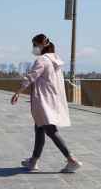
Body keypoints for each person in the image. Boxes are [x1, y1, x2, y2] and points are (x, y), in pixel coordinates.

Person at [11, 34, 82, 173]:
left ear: (41, 45)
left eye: (34, 45)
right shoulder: (55, 61)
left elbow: (30, 77)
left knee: (51, 131)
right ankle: (33, 161)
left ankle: (71, 160)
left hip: (43, 101)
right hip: (52, 99)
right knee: (39, 129)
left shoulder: (42, 60)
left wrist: (18, 92)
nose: (33, 48)